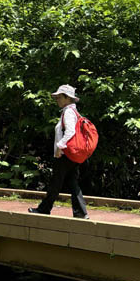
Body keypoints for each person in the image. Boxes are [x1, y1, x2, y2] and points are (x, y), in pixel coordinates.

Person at [28, 84, 89, 219]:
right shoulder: (73, 112)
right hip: (72, 155)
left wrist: (60, 146)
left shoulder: (68, 112)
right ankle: (81, 213)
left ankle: (44, 209)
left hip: (64, 154)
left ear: (67, 98)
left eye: (59, 97)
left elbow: (70, 131)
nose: (57, 100)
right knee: (72, 183)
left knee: (55, 183)